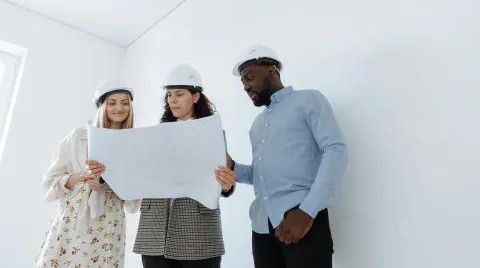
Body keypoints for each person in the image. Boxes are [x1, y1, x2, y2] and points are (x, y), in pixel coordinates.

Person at [227, 44, 348, 268]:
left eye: (250, 77)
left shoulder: (308, 100)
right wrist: (232, 166)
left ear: (271, 71)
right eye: (243, 82)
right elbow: (259, 175)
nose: (246, 86)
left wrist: (307, 211)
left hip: (301, 219)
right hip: (262, 227)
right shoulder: (257, 124)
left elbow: (336, 149)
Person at [133, 64, 236, 268]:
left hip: (198, 230)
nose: (172, 99)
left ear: (195, 96)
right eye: (169, 94)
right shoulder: (154, 134)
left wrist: (227, 185)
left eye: (179, 94)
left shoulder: (213, 133)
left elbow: (222, 182)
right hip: (154, 230)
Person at [35, 80, 142, 268]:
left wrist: (106, 186)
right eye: (112, 102)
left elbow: (134, 201)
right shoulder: (78, 137)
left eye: (125, 103)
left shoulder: (134, 146)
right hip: (74, 215)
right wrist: (83, 177)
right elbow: (49, 183)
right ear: (102, 106)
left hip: (110, 217)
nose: (119, 108)